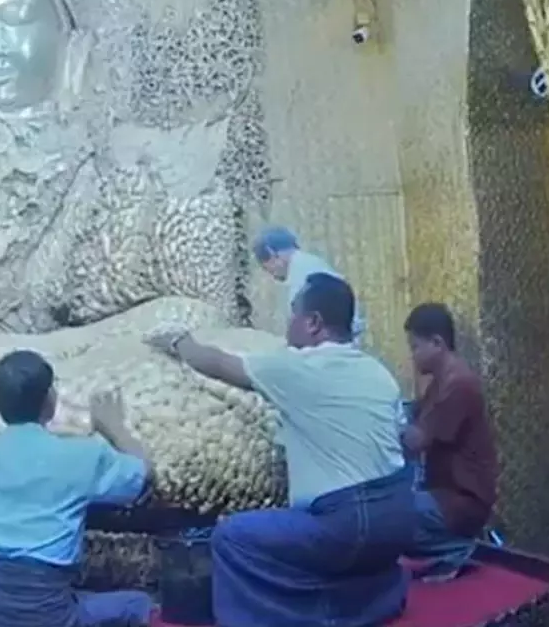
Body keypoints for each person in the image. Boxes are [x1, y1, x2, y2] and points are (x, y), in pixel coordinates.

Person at [147, 273, 413, 627]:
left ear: (313, 322)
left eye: (293, 313)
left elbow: (216, 363)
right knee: (354, 551)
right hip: (397, 519)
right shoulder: (379, 373)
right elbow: (399, 438)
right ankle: (372, 603)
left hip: (346, 523)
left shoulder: (296, 367)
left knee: (232, 538)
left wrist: (179, 340)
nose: (288, 323)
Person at [0, 350, 154, 627]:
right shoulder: (83, 455)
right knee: (137, 605)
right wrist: (114, 428)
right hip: (42, 610)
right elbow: (142, 474)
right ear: (50, 398)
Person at [403, 303, 498, 581]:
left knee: (389, 516)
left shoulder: (458, 385)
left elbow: (416, 441)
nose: (412, 356)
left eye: (415, 347)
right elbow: (417, 414)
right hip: (445, 494)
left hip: (462, 501)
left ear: (437, 343)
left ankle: (457, 550)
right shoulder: (441, 381)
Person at [253, 225, 366, 341]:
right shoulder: (310, 265)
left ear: (272, 253)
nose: (271, 275)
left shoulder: (303, 276)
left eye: (266, 268)